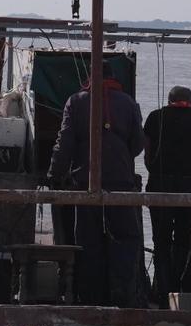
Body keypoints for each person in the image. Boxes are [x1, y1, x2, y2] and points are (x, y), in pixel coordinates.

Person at [46, 60, 145, 307]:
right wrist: (121, 158)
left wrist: (54, 174)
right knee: (124, 237)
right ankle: (122, 296)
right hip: (121, 181)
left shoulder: (76, 101)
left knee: (87, 240)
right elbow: (138, 144)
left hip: (85, 181)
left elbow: (65, 142)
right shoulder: (129, 103)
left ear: (90, 77)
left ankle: (89, 297)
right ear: (114, 78)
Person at [143, 85, 191, 307]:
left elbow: (147, 154)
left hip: (160, 186)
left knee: (160, 240)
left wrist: (155, 170)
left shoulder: (154, 118)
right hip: (190, 190)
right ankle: (177, 289)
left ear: (169, 100)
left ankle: (162, 292)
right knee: (182, 239)